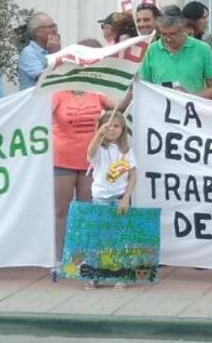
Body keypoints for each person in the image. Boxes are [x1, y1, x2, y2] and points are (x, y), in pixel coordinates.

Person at [51, 39, 114, 279]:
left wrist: (133, 87)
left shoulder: (95, 93)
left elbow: (118, 106)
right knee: (62, 210)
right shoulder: (57, 94)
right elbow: (37, 116)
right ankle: (58, 259)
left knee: (88, 209)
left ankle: (87, 258)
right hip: (62, 159)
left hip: (90, 159)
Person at [85, 110, 138, 290]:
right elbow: (90, 151)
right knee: (99, 237)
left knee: (119, 237)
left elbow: (132, 176)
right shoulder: (99, 148)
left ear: (123, 129)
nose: (112, 130)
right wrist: (99, 133)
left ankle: (120, 274)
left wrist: (126, 198)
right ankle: (94, 274)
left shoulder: (127, 150)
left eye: (116, 126)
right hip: (100, 197)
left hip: (119, 197)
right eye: (108, 126)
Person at [139, 6, 212, 100]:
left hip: (192, 111)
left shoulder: (203, 49)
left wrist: (188, 98)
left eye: (173, 34)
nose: (168, 39)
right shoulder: (151, 51)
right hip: (160, 111)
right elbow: (144, 89)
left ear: (182, 29)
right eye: (163, 34)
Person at [19, 12, 60, 90]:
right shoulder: (28, 53)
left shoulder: (50, 49)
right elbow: (45, 80)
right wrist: (54, 54)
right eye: (50, 27)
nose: (55, 30)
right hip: (34, 101)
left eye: (54, 26)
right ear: (36, 32)